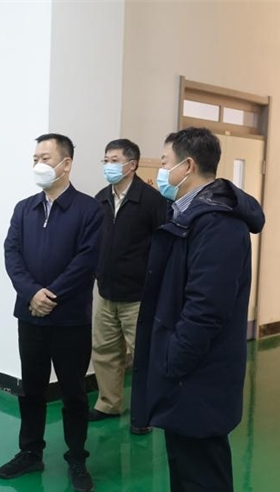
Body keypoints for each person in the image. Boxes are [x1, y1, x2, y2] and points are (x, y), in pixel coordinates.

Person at [131, 127, 265, 492]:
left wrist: (174, 359)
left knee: (204, 468)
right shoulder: (187, 213)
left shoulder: (219, 224)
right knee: (182, 457)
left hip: (199, 369)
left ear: (188, 166)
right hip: (182, 365)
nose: (161, 171)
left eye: (165, 162)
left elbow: (207, 307)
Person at [0, 133, 103, 492]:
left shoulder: (88, 210)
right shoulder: (24, 209)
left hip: (70, 319)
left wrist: (50, 295)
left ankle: (76, 458)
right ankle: (30, 452)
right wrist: (32, 293)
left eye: (45, 158)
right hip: (30, 316)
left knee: (74, 393)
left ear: (66, 164)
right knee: (31, 388)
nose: (38, 165)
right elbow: (12, 254)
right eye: (35, 159)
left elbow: (86, 261)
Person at [90, 138, 166, 431]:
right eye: (105, 160)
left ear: (131, 165)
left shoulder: (151, 200)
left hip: (138, 296)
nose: (108, 165)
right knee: (105, 351)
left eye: (114, 160)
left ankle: (144, 413)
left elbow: (163, 246)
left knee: (144, 355)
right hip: (106, 292)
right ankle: (108, 403)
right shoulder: (101, 199)